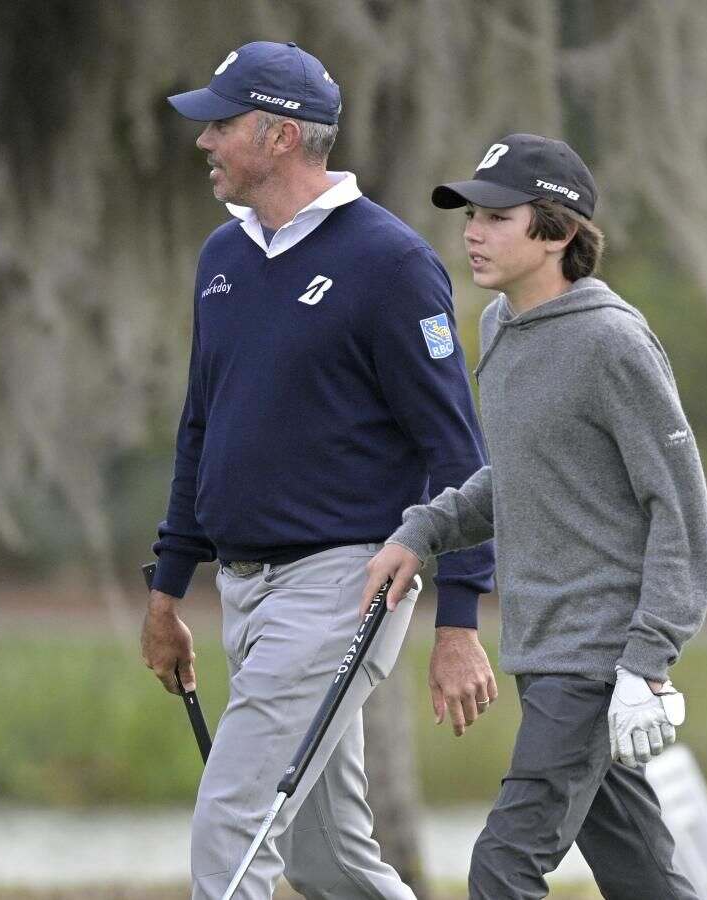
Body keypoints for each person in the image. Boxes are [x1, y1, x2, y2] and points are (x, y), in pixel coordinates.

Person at [140, 41, 497, 900]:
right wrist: (166, 589)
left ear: (278, 137)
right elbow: (201, 427)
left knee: (234, 819)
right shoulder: (221, 260)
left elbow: (459, 454)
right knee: (323, 857)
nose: (204, 142)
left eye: (220, 124)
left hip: (346, 582)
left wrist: (458, 621)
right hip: (245, 591)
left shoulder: (390, 262)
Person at [362, 133, 707, 899]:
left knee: (504, 864)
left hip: (598, 661)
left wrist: (647, 662)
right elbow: (517, 480)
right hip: (544, 650)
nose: (472, 232)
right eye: (469, 215)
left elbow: (680, 508)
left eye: (495, 216)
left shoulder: (613, 342)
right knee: (639, 872)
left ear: (554, 230)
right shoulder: (501, 328)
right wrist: (420, 532)